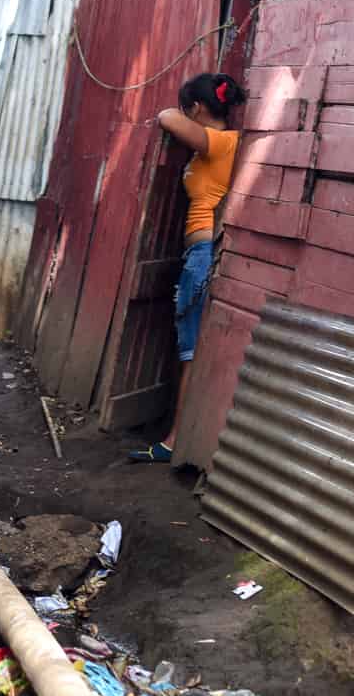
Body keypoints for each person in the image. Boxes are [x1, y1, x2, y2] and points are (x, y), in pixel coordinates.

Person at [128, 72, 247, 463]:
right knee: (188, 346)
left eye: (189, 109)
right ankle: (178, 436)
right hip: (195, 254)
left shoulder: (222, 143)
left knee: (191, 348)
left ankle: (177, 440)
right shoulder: (209, 150)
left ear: (197, 108)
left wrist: (173, 111)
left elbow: (166, 117)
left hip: (202, 254)